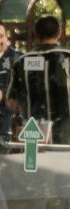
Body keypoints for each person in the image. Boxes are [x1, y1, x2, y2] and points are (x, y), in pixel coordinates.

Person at [7, 15, 70, 144]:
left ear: (35, 34)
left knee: (33, 157)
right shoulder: (67, 58)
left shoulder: (20, 62)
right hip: (65, 137)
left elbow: (11, 102)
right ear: (59, 33)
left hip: (32, 136)